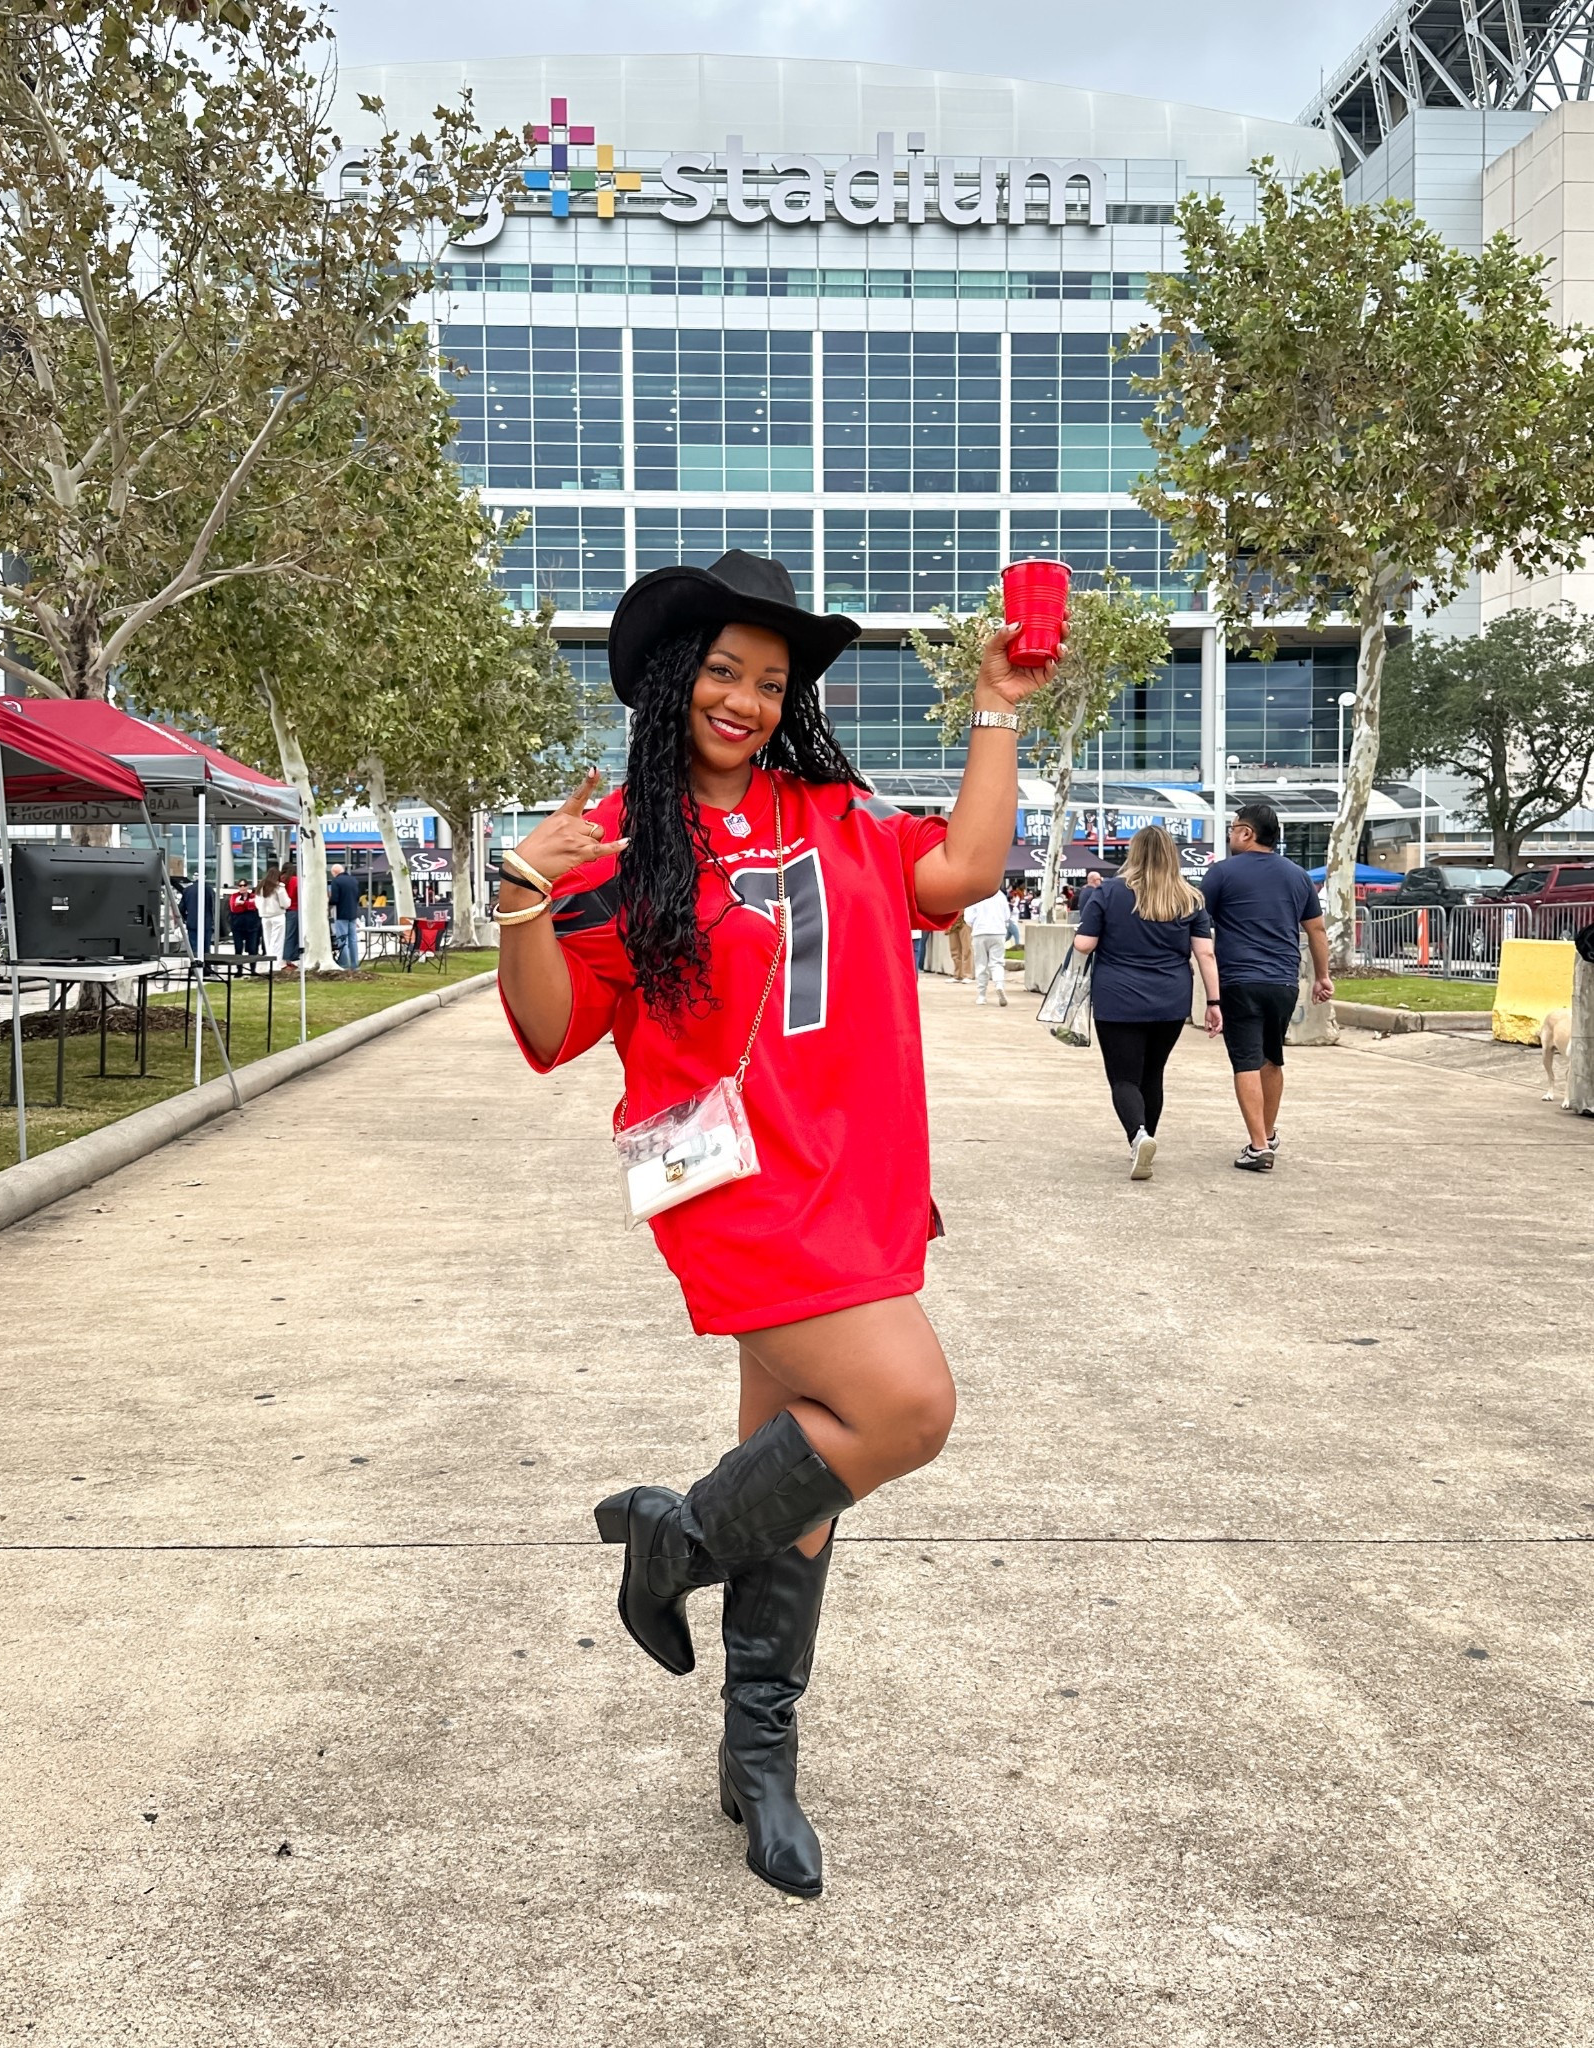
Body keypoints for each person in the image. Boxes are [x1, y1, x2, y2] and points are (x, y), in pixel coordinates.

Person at [495, 549, 1040, 1901]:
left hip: (852, 1175)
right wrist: (519, 897)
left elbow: (967, 869)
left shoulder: (836, 811)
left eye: (770, 680)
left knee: (801, 1477)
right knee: (904, 1407)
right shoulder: (623, 838)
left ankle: (757, 1758)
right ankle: (672, 1542)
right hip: (732, 1189)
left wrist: (994, 700)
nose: (743, 700)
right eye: (723, 673)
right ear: (677, 680)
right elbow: (554, 1030)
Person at [1073, 825, 1222, 1179]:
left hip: (1117, 997)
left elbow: (1084, 944)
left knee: (1124, 1077)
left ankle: (1138, 1137)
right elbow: (1206, 954)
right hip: (1170, 999)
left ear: (1134, 853)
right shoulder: (1189, 898)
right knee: (1153, 1074)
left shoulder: (1109, 892)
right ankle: (1146, 1138)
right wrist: (1214, 1001)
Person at [1201, 800, 1335, 1172]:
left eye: (1232, 828)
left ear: (1247, 833)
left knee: (1245, 1059)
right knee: (1271, 1057)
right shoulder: (1298, 876)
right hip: (1283, 981)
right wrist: (1322, 977)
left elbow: (1197, 925)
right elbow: (1316, 930)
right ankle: (1268, 1131)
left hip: (1239, 980)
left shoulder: (1221, 874)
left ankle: (1259, 1147)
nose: (1230, 834)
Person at [966, 885, 1011, 1007]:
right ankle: (999, 985)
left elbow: (968, 918)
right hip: (998, 932)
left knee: (981, 964)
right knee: (997, 963)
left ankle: (981, 995)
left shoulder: (975, 896)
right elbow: (1007, 916)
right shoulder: (1000, 896)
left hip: (980, 932)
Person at [327, 862, 363, 970]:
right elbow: (358, 896)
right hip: (353, 913)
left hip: (341, 914)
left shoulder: (336, 882)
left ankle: (344, 964)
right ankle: (354, 964)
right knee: (353, 939)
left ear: (334, 872)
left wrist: (328, 900)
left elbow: (335, 900)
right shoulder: (353, 880)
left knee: (342, 940)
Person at [254, 863, 288, 963]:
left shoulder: (260, 887)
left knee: (268, 941)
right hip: (277, 915)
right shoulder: (279, 887)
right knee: (277, 941)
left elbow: (257, 903)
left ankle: (270, 963)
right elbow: (285, 903)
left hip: (265, 916)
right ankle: (276, 964)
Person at [225, 881, 262, 969]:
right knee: (238, 949)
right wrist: (248, 906)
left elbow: (256, 906)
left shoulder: (253, 896)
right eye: (240, 886)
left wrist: (243, 904)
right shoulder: (234, 896)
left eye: (244, 885)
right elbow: (234, 909)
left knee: (252, 949)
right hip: (237, 926)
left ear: (247, 886)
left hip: (252, 927)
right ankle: (239, 970)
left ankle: (253, 969)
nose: (242, 887)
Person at [947, 904, 974, 983]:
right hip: (953, 921)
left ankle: (967, 975)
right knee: (954, 949)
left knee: (966, 949)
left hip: (964, 921)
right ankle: (957, 975)